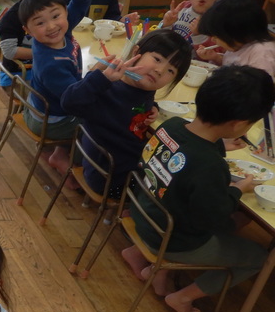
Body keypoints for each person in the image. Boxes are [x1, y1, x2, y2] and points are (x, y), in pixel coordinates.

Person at [123, 65, 275, 312]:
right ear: (238, 124)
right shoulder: (209, 165)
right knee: (259, 257)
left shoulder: (171, 125)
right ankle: (182, 296)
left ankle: (152, 266)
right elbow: (211, 219)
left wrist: (221, 143)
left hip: (144, 215)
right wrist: (236, 191)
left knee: (238, 219)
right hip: (174, 239)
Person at [61, 30, 192, 197]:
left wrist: (154, 108)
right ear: (136, 52)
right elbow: (68, 102)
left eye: (171, 71)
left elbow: (133, 103)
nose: (160, 70)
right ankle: (130, 212)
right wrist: (101, 78)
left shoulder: (142, 88)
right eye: (157, 59)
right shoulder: (107, 87)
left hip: (124, 166)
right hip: (110, 178)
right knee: (174, 188)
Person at [18, 0, 93, 173]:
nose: (51, 26)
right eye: (40, 22)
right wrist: (97, 77)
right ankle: (70, 161)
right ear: (28, 30)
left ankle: (59, 150)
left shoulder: (61, 32)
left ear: (65, 13)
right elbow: (76, 99)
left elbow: (83, 1)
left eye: (55, 16)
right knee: (98, 122)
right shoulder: (51, 64)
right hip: (51, 120)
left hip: (42, 107)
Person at [0, 0, 64, 87]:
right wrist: (45, 52)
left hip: (47, 68)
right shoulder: (12, 18)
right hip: (18, 75)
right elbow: (9, 52)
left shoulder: (58, 9)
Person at [196, 0, 275, 77]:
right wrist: (216, 58)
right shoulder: (238, 44)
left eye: (217, 36)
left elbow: (259, 86)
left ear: (237, 33)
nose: (213, 39)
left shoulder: (262, 53)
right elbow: (230, 65)